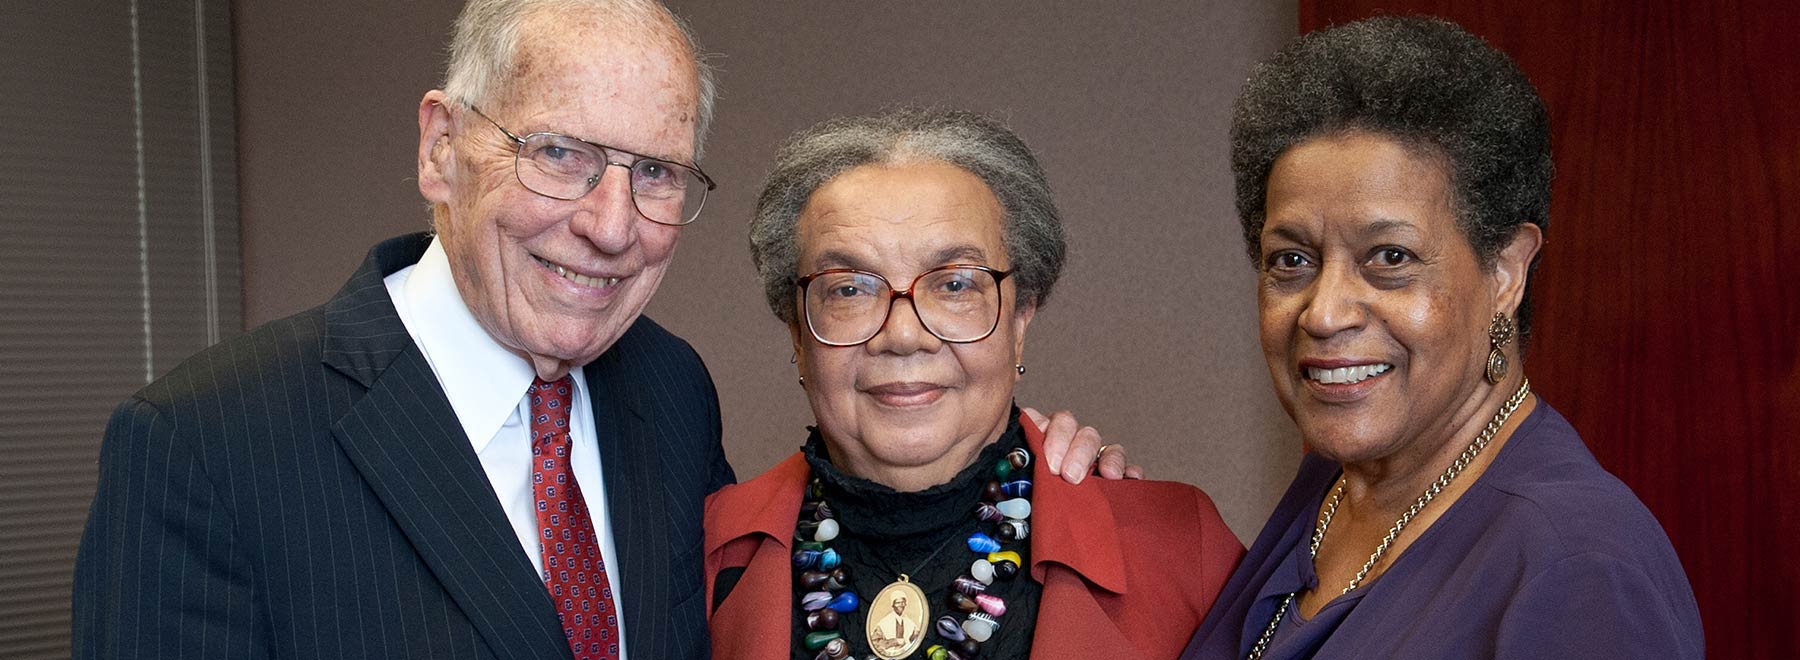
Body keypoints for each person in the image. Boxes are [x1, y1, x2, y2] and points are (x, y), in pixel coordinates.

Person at [70, 2, 1124, 659]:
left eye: (655, 172)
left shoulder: (666, 390)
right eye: (562, 153)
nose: (611, 226)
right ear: (442, 147)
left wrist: (1018, 466)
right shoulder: (205, 446)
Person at [1180, 16, 1703, 660]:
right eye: (1292, 261)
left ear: (1506, 273)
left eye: (1390, 257)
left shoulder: (1580, 567)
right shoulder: (1338, 487)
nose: (1324, 313)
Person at [704, 108, 1245, 660]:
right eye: (848, 289)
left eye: (956, 284)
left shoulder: (1180, 550)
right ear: (797, 334)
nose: (903, 334)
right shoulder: (705, 553)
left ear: (1020, 321)